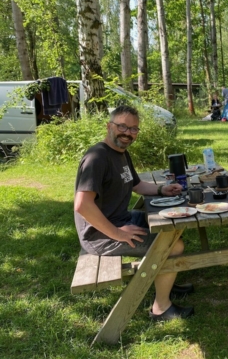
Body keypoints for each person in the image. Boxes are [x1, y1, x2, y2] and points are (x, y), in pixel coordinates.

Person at [73, 105, 194, 321]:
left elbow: (136, 185)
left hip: (122, 220)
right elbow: (82, 205)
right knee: (174, 244)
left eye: (134, 129)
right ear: (109, 126)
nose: (128, 133)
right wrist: (117, 233)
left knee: (173, 226)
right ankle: (161, 308)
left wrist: (161, 189)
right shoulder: (97, 157)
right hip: (100, 235)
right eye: (122, 126)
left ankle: (165, 278)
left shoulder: (121, 154)